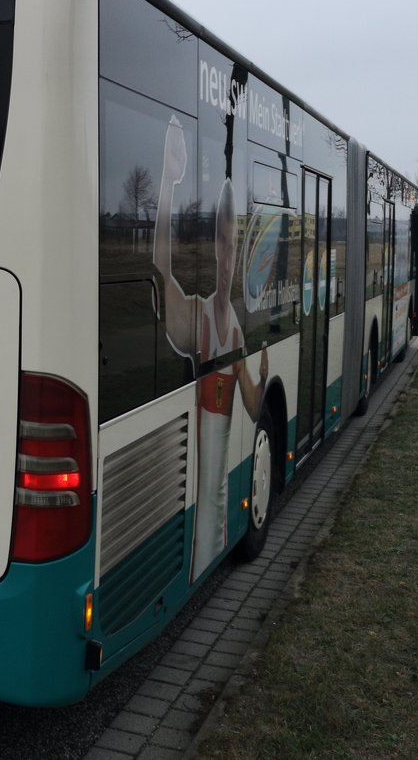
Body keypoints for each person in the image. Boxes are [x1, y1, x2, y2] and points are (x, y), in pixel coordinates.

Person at [152, 115, 268, 580]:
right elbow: (160, 275)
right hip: (200, 529)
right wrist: (167, 178)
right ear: (213, 245)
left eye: (234, 241)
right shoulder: (200, 319)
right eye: (221, 240)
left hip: (225, 526)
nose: (227, 254)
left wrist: (261, 375)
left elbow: (254, 404)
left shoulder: (236, 332)